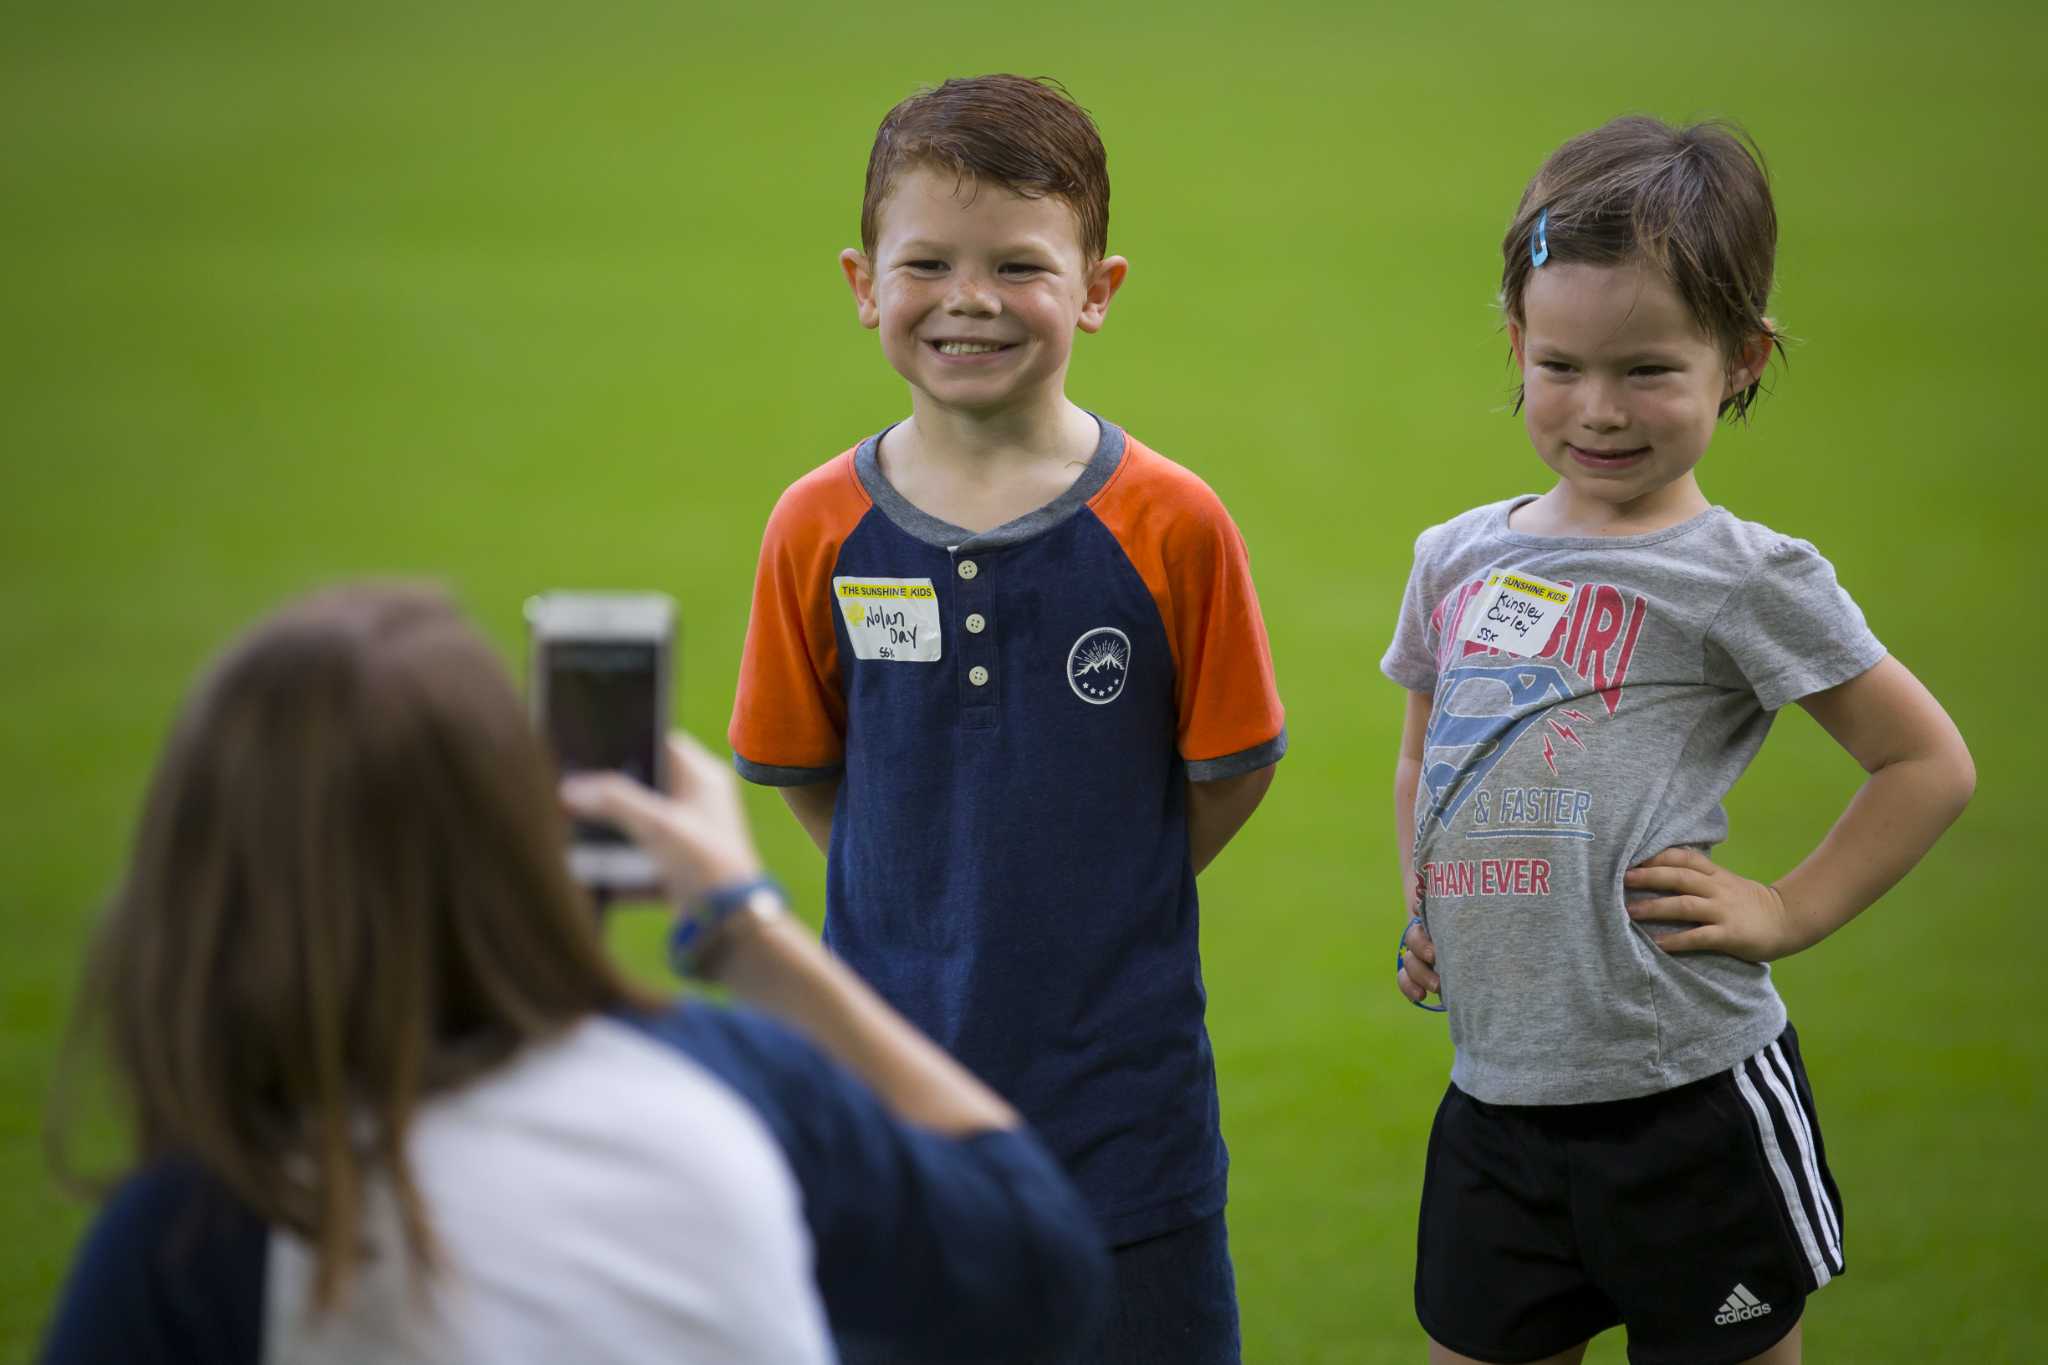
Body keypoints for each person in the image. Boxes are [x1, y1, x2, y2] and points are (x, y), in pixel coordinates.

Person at [40, 585, 1111, 1364]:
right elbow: (1040, 1267)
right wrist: (742, 924)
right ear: (520, 824)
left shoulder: (191, 1238)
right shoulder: (738, 1083)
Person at [1382, 117, 1975, 1365]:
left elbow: (1923, 764)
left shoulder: (1742, 577)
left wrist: (1786, 910)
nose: (1597, 411)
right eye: (1558, 365)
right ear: (1514, 343)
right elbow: (1426, 741)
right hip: (1494, 1097)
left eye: (1647, 369)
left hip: (1687, 1098)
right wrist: (1424, 900)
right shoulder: (1455, 556)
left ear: (1741, 359)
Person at [728, 75, 1286, 1364]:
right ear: (864, 282)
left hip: (1125, 1125)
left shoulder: (1171, 524)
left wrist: (1095, 885)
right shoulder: (813, 525)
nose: (968, 299)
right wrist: (924, 887)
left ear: (1096, 289)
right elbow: (810, 776)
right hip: (888, 1126)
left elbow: (1230, 769)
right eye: (926, 262)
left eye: (1018, 266)